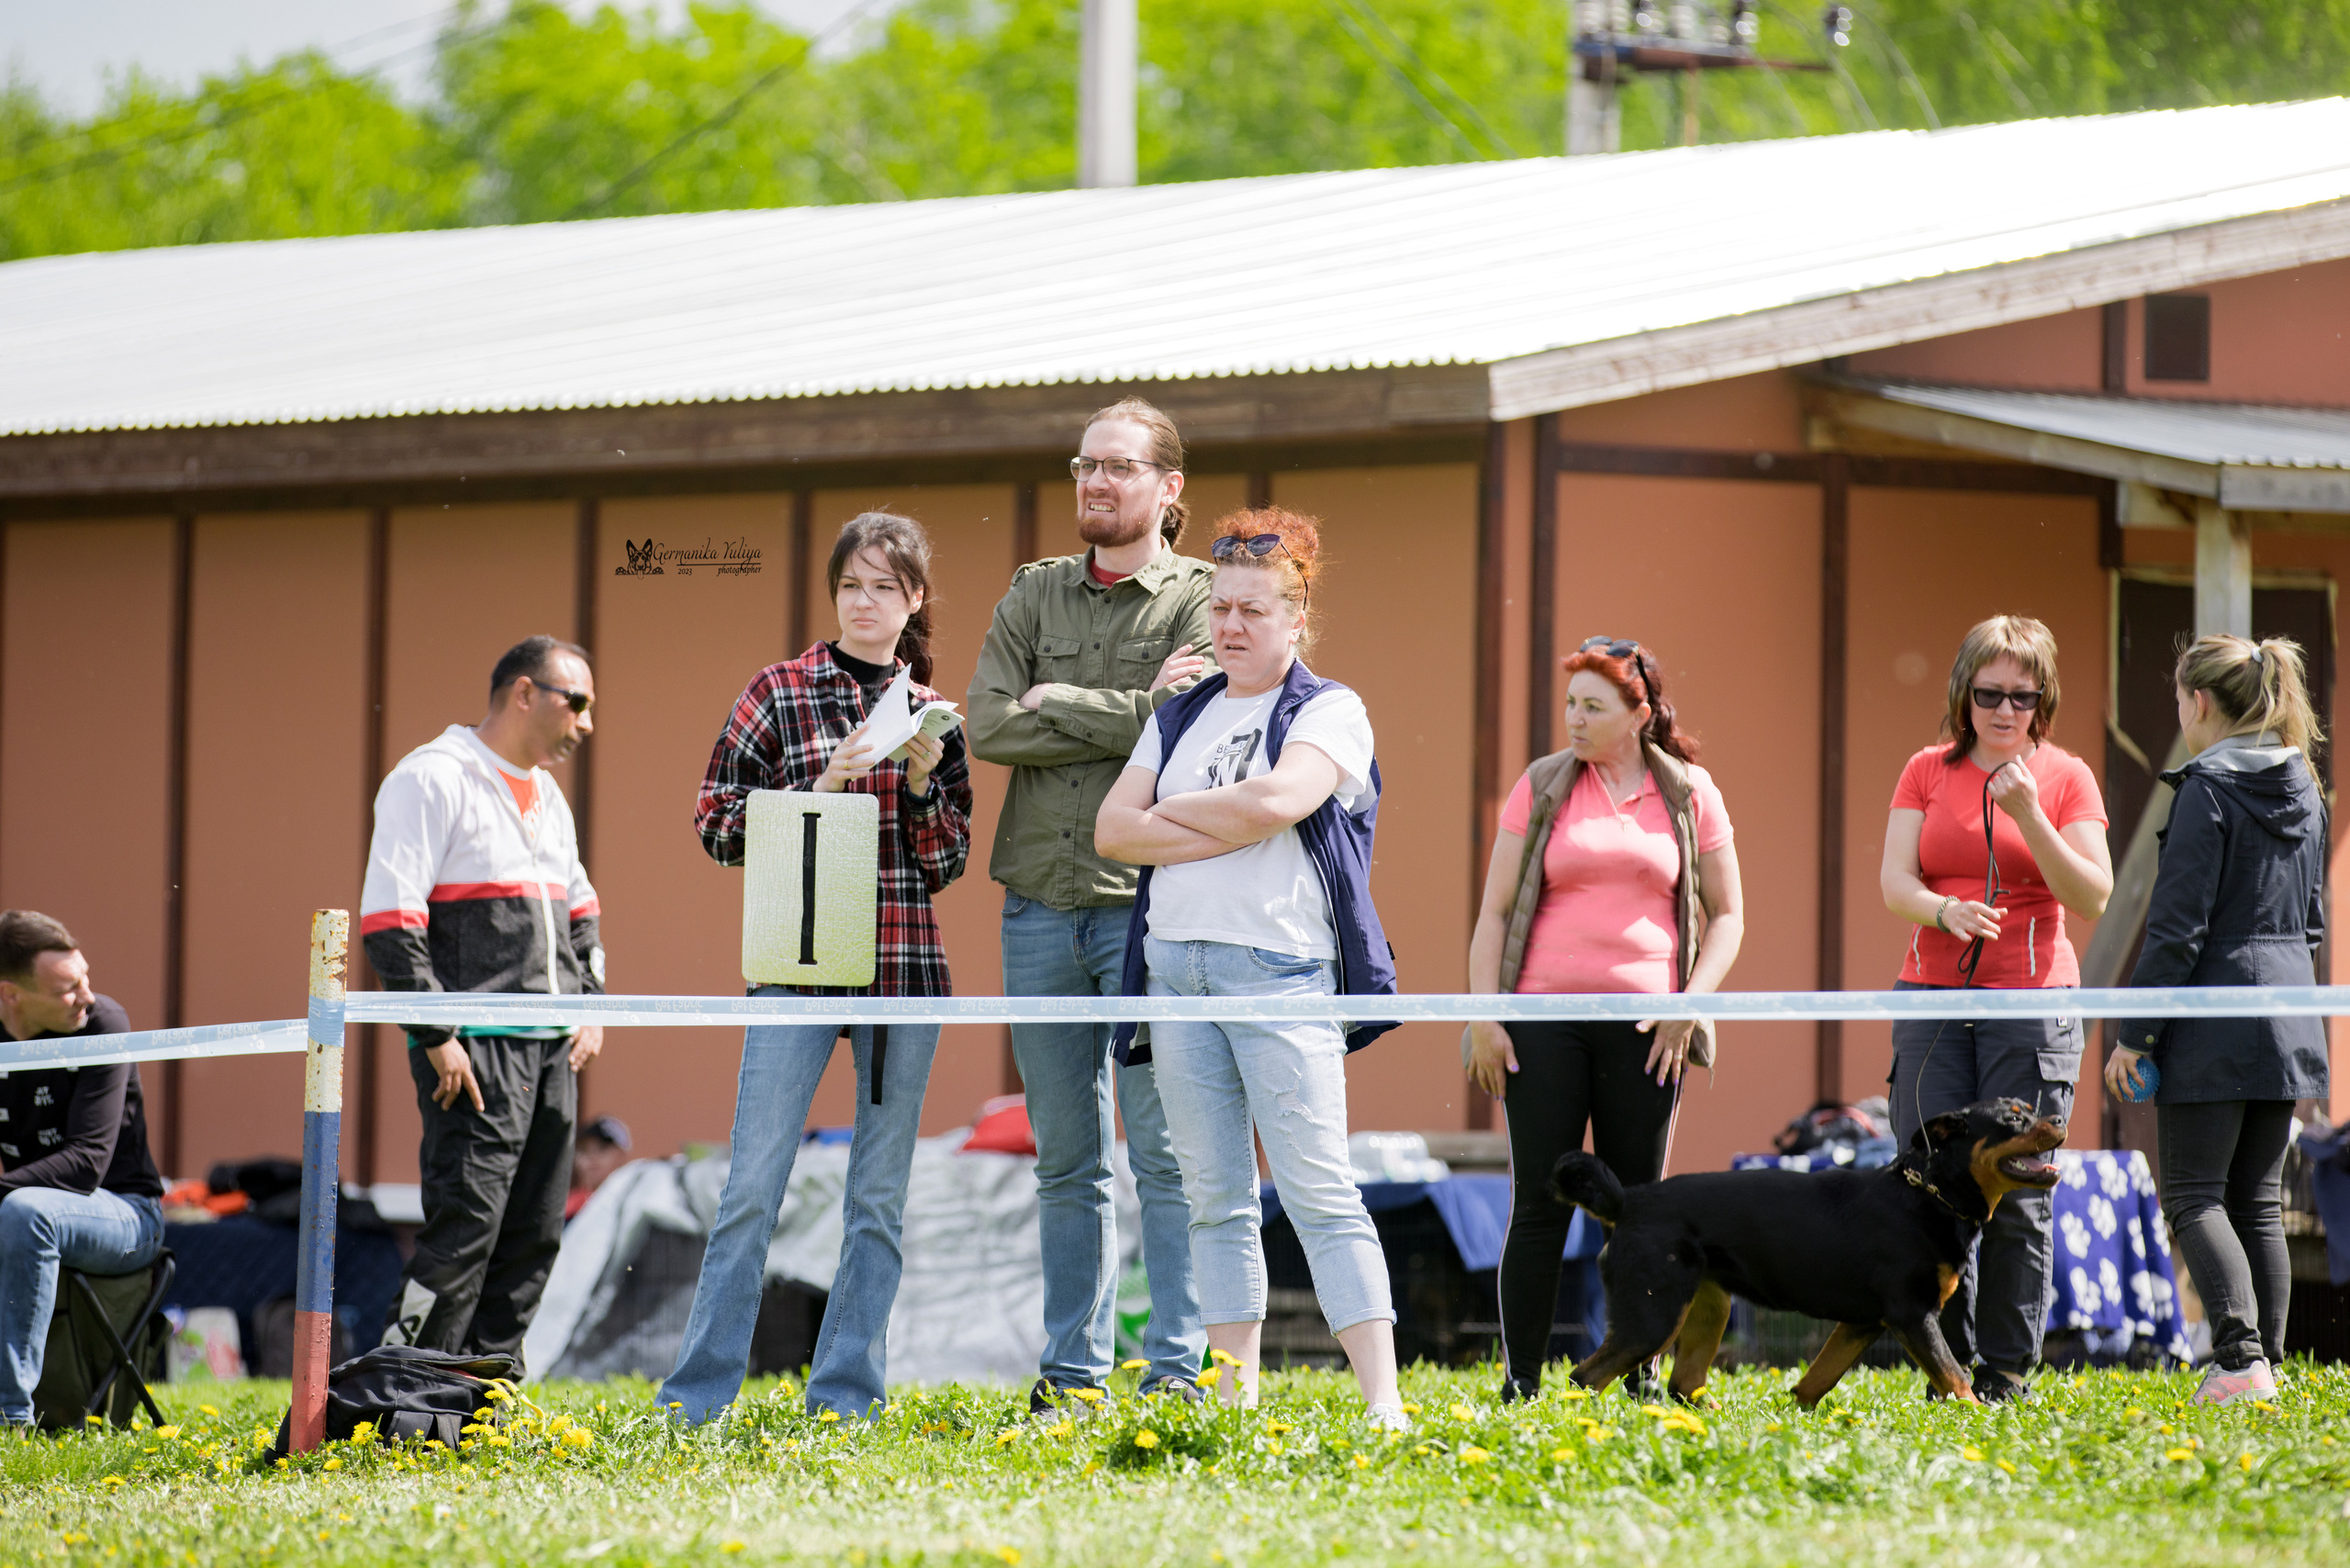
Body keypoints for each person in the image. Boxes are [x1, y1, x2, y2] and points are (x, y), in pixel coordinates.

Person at [1096, 507, 1404, 1427]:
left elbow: (1283, 797)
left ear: (1297, 618)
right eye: (1221, 606)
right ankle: (1231, 1399)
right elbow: (1113, 832)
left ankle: (1382, 1399)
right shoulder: (1180, 709)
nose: (1230, 626)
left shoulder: (1329, 709)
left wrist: (1176, 819)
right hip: (1172, 970)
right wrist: (1224, 821)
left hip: (1278, 971)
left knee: (1317, 1187)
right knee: (1214, 1198)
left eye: (1254, 611)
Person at [663, 511, 972, 1422]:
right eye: (851, 586)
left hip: (904, 972)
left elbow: (948, 863)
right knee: (751, 1187)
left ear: (913, 599)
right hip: (793, 967)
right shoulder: (779, 689)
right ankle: (697, 1401)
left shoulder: (932, 714)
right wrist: (817, 789)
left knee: (876, 1202)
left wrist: (918, 782)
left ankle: (845, 1399)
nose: (865, 602)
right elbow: (715, 825)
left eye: (884, 586)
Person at [967, 398, 1214, 1408]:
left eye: (1118, 468)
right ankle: (1072, 1374)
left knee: (1161, 1150)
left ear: (1167, 487)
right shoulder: (1031, 596)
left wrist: (1054, 702)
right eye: (1084, 467)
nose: (1096, 484)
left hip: (1146, 910)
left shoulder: (1200, 598)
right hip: (1035, 904)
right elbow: (986, 725)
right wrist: (1131, 711)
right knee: (1067, 1160)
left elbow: (1189, 725)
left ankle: (1177, 1370)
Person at [1463, 636, 1745, 1402]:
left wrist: (1689, 1008)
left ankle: (1638, 1372)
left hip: (1650, 1029)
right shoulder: (1543, 785)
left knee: (1640, 1209)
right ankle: (1521, 1383)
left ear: (1639, 714)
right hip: (1541, 1022)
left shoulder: (1690, 793)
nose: (1574, 721)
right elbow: (1492, 914)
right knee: (1539, 1203)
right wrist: (1485, 1017)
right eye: (1569, 705)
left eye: (1593, 706)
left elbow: (1728, 917)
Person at [1878, 614, 2111, 1402]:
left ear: (2043, 699)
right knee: (1927, 1180)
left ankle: (2006, 1371)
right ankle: (1948, 1367)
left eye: (2022, 695)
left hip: (2033, 1001)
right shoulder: (1924, 770)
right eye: (1989, 694)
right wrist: (1941, 912)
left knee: (2017, 1187)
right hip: (1933, 998)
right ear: (1963, 694)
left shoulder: (2067, 776)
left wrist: (2030, 816)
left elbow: (2093, 895)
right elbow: (1894, 882)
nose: (2005, 711)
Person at [362, 635, 607, 1359]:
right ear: (525, 693)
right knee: (465, 1232)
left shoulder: (550, 796)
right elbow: (388, 920)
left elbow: (583, 907)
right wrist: (435, 1034)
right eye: (579, 703)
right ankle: (403, 1396)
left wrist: (588, 1004)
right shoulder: (430, 777)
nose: (587, 724)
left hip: (552, 1049)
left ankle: (484, 1410)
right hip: (471, 1051)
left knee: (534, 1236)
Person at [2108, 633, 2329, 1406]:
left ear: (2198, 703)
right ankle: (2263, 1362)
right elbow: (2312, 923)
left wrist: (2134, 1035)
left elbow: (2176, 930)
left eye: (2178, 699)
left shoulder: (2205, 789)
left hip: (2214, 1017)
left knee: (2194, 1197)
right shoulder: (2305, 783)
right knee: (2258, 1202)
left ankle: (2238, 1359)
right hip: (2290, 1017)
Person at [0, 913, 164, 1429]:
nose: (88, 997)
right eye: (69, 989)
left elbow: (86, 1164)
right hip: (25, 1205)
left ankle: (10, 1419)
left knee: (26, 1212)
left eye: (86, 979)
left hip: (127, 1215)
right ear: (12, 995)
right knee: (21, 1208)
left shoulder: (104, 1025)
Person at [565, 1114, 632, 1221]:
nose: (592, 1157)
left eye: (602, 1148)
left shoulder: (634, 1202)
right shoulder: (566, 1209)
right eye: (584, 1150)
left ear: (622, 1156)